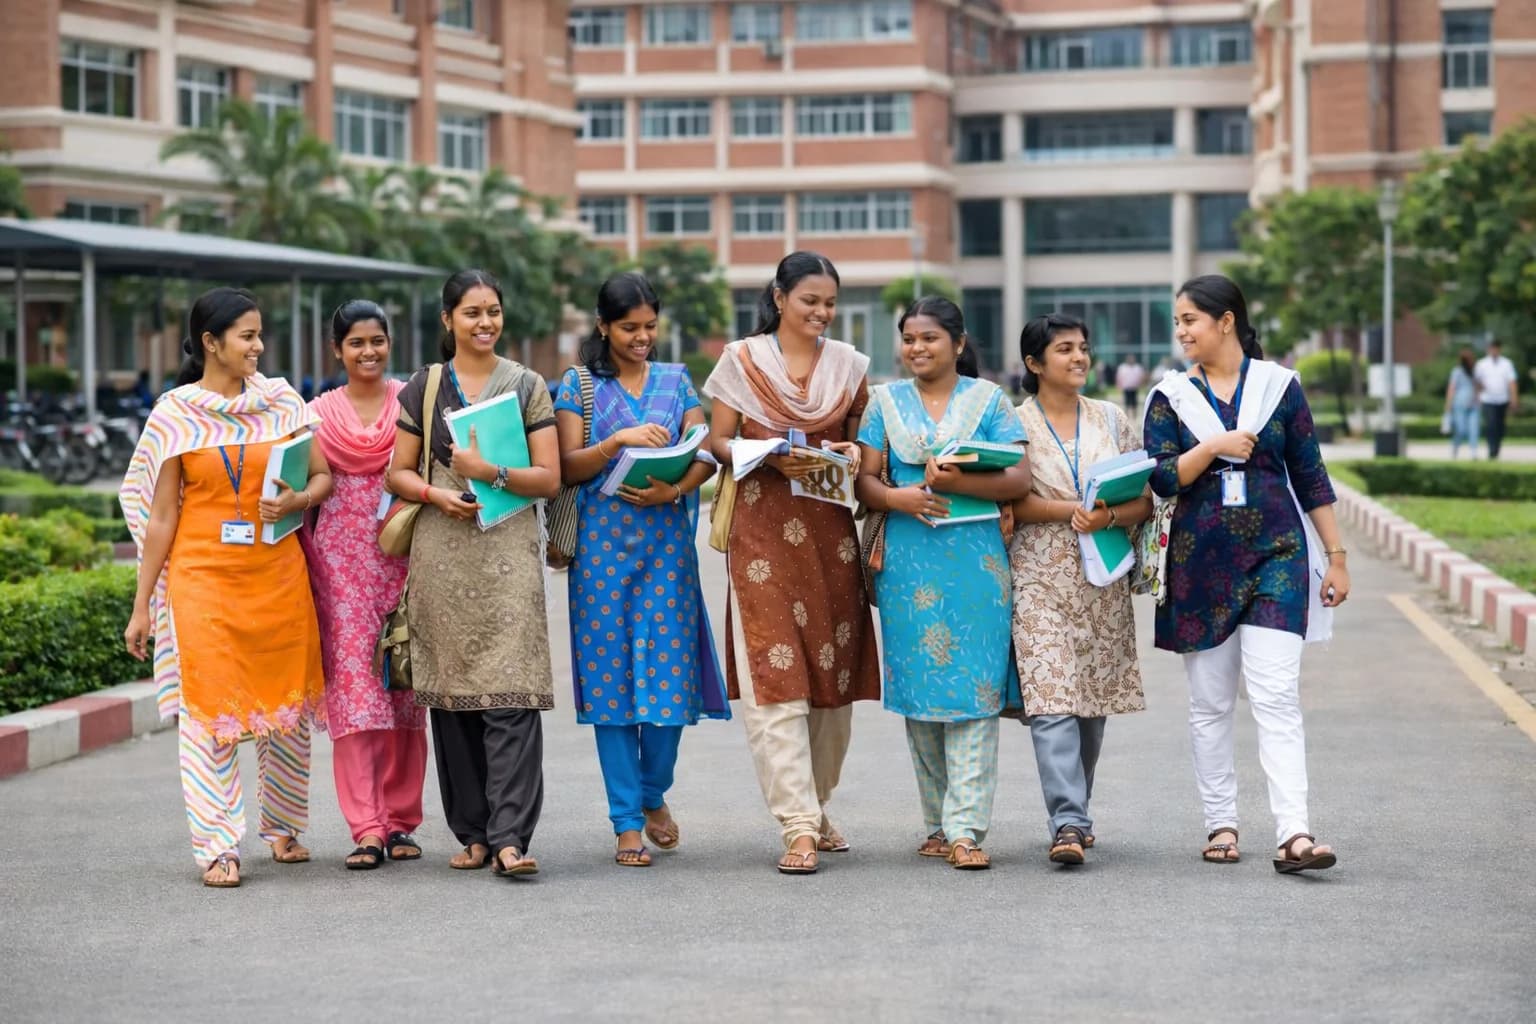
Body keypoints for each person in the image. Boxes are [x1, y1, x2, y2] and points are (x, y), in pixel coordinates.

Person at [120, 287, 330, 888]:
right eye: (247, 336)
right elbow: (160, 516)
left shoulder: (283, 401)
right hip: (202, 578)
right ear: (211, 343)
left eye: (260, 334)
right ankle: (218, 845)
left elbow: (322, 477)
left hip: (277, 575)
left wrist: (300, 498)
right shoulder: (175, 414)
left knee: (285, 708)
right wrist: (143, 606)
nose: (259, 346)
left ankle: (284, 826)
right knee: (208, 712)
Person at [1144, 274, 1348, 875]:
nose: (1181, 331)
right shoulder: (1171, 396)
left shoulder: (1280, 388)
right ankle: (1222, 824)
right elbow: (1157, 477)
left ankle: (1295, 834)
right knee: (1210, 704)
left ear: (1226, 321)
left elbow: (1310, 474)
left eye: (1190, 320)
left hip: (1277, 556)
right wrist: (1210, 449)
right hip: (1199, 564)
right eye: (1178, 321)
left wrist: (1336, 557)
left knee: (1277, 694)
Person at [703, 251, 880, 875]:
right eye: (810, 301)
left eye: (829, 303)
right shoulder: (740, 360)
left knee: (831, 687)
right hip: (761, 531)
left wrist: (847, 452)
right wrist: (766, 452)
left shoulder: (849, 367)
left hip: (829, 533)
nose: (822, 314)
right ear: (779, 298)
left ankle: (817, 802)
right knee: (776, 677)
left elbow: (865, 441)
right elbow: (716, 440)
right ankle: (799, 827)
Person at [387, 269, 561, 879]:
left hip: (507, 548)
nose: (484, 323)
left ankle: (512, 836)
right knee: (454, 697)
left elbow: (550, 476)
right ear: (448, 321)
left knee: (510, 692)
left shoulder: (528, 385)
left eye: (493, 311)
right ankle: (475, 834)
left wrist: (489, 472)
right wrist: (436, 496)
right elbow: (398, 473)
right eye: (471, 313)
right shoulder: (425, 386)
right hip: (442, 549)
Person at [554, 272, 730, 868]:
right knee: (612, 693)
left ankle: (653, 791)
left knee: (669, 687)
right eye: (629, 328)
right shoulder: (576, 387)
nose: (642, 338)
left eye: (650, 327)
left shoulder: (677, 381)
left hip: (666, 554)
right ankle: (626, 822)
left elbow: (704, 452)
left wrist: (673, 487)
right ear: (603, 326)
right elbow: (566, 468)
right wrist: (616, 442)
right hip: (601, 558)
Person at [854, 297, 1031, 871]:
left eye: (929, 337)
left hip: (976, 563)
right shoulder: (883, 402)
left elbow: (1019, 479)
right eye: (908, 338)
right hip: (908, 564)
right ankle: (936, 823)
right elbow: (864, 481)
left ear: (957, 343)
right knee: (923, 696)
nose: (916, 348)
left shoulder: (990, 402)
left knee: (975, 696)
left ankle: (966, 831)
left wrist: (958, 482)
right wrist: (896, 497)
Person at [1011, 313, 1150, 865]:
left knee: (1091, 704)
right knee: (1050, 699)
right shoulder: (1012, 421)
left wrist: (1110, 514)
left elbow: (1145, 499)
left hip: (1102, 579)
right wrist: (1077, 510)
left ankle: (1076, 812)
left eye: (1083, 348)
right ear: (1034, 363)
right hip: (1038, 577)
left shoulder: (1113, 420)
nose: (1079, 358)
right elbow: (1013, 502)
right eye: (1065, 349)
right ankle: (1067, 821)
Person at [303, 300, 427, 871]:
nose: (368, 351)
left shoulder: (415, 402)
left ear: (390, 342)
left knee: (403, 689)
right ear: (337, 350)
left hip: (406, 561)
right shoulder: (315, 416)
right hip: (342, 570)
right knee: (356, 696)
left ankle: (402, 821)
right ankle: (367, 827)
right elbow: (302, 487)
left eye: (377, 340)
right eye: (356, 343)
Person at [1474, 340, 1519, 460]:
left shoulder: (1507, 364)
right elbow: (1476, 382)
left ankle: (1496, 448)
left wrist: (1514, 398)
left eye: (1496, 348)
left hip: (1502, 399)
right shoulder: (1481, 364)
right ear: (1488, 350)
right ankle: (1492, 450)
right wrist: (1477, 396)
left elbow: (1512, 382)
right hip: (1488, 399)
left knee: (1500, 426)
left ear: (1499, 349)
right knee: (1491, 424)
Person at [1444, 347, 1481, 459]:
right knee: (1461, 429)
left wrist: (1478, 398)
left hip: (1473, 405)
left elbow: (1478, 387)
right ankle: (1455, 446)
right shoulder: (1457, 371)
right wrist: (1448, 405)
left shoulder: (1475, 371)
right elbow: (1452, 388)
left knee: (1474, 428)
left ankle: (1473, 451)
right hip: (1459, 404)